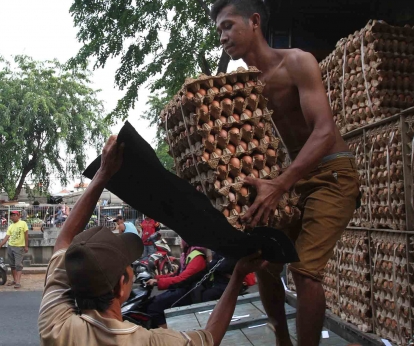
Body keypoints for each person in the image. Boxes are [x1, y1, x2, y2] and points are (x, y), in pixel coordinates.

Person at [211, 0, 361, 346]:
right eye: (219, 31)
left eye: (228, 26)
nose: (223, 37)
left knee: (305, 272)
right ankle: (282, 337)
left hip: (332, 172)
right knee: (262, 263)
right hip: (292, 178)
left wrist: (279, 185)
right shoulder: (243, 87)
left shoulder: (297, 62)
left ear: (255, 22)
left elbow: (324, 132)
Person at [38, 135, 269, 346]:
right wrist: (237, 276)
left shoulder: (58, 330)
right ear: (121, 285)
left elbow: (63, 242)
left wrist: (102, 175)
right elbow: (210, 337)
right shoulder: (152, 342)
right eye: (128, 265)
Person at [146, 240, 207, 328]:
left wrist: (158, 282)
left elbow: (182, 279)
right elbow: (176, 274)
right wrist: (157, 278)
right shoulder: (188, 254)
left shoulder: (197, 257)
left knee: (154, 308)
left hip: (188, 293)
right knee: (151, 301)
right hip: (182, 289)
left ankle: (169, 335)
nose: (180, 242)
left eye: (181, 240)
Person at [0, 210, 29, 289]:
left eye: (14, 215)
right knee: (12, 265)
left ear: (18, 216)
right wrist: (1, 245)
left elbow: (26, 235)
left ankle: (18, 282)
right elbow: (6, 237)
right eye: (11, 216)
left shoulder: (23, 223)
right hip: (10, 246)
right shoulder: (11, 226)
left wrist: (26, 246)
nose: (13, 217)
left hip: (19, 247)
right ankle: (15, 280)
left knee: (18, 265)